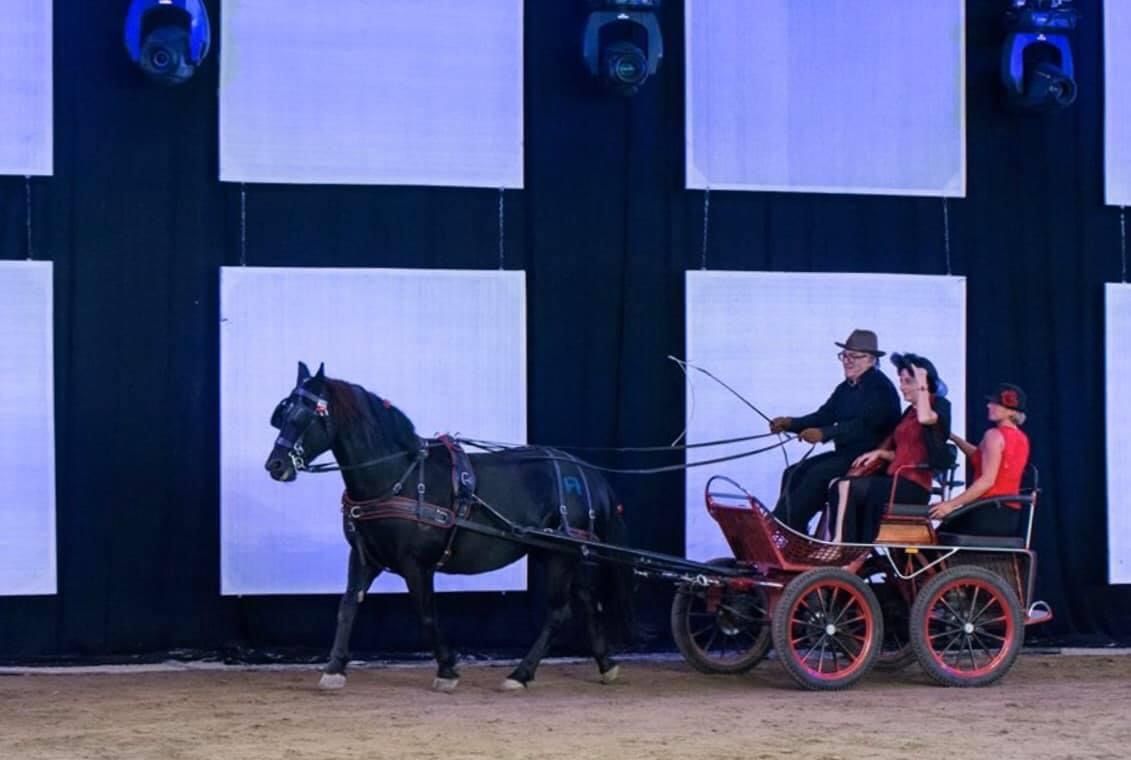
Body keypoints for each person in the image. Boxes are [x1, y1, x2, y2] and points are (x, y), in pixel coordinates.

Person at [769, 329, 901, 533]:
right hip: (846, 455)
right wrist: (791, 423)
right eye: (845, 355)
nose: (848, 361)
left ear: (871, 360)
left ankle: (784, 527)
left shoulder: (881, 389)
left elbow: (862, 426)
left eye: (855, 356)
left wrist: (824, 434)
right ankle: (791, 529)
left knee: (817, 474)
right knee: (792, 472)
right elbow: (823, 415)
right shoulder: (845, 388)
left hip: (869, 460)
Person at [826, 353, 952, 543]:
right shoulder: (909, 412)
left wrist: (922, 383)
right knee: (835, 483)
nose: (902, 387)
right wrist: (881, 453)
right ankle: (846, 542)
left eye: (908, 381)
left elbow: (926, 419)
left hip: (913, 486)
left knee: (846, 485)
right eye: (901, 381)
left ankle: (841, 544)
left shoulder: (939, 405)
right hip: (896, 479)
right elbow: (905, 452)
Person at [929, 383, 1031, 536]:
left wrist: (950, 505)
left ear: (1010, 411)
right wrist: (953, 437)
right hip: (1009, 518)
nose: (989, 405)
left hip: (986, 512)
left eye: (995, 403)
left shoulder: (994, 435)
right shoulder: (1022, 438)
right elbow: (979, 456)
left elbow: (987, 481)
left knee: (932, 537)